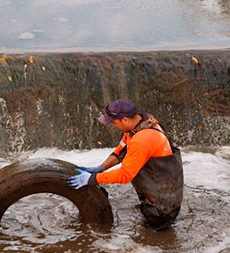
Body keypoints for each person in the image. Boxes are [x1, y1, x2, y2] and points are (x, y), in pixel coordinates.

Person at [67, 99, 184, 230]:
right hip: (156, 191)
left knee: (155, 238)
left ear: (125, 120)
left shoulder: (142, 140)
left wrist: (93, 179)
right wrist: (100, 168)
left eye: (114, 122)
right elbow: (121, 150)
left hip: (162, 207)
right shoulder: (140, 124)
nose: (113, 125)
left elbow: (125, 175)